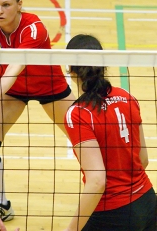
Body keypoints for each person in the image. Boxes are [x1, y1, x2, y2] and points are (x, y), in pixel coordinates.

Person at [0, 0, 75, 229]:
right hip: (13, 91)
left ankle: (111, 190)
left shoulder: (33, 28)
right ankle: (1, 204)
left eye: (6, 5)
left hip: (49, 86)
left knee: (87, 139)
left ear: (19, 5)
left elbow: (14, 68)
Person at [63, 34, 156, 230]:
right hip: (148, 204)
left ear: (70, 68)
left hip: (112, 214)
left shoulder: (78, 113)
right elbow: (144, 159)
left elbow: (97, 181)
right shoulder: (128, 97)